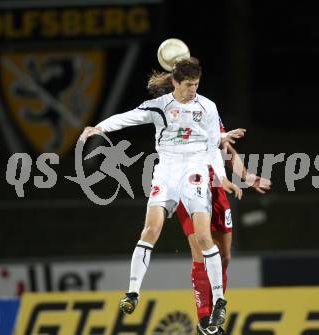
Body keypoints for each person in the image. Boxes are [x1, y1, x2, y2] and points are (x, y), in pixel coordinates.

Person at [80, 57, 242, 329]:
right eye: (189, 85)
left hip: (195, 171)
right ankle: (132, 293)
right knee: (150, 231)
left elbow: (214, 146)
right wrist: (100, 128)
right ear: (176, 83)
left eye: (197, 84)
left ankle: (219, 302)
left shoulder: (207, 107)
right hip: (166, 172)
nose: (193, 90)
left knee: (204, 237)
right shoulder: (160, 106)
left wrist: (223, 178)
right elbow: (128, 117)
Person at [147, 68, 271, 335]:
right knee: (201, 251)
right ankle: (205, 320)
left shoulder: (207, 113)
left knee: (224, 256)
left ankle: (216, 310)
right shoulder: (171, 117)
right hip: (188, 188)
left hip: (216, 189)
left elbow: (226, 148)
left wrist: (247, 177)